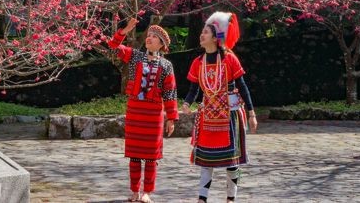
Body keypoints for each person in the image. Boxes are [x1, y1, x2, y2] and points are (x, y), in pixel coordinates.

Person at [182, 11, 257, 203]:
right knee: (206, 161)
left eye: (206, 32)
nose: (201, 35)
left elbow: (242, 86)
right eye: (202, 32)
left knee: (232, 162)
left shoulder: (229, 59)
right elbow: (193, 89)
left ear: (215, 38)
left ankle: (231, 198)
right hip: (208, 116)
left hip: (230, 115)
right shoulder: (198, 63)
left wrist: (251, 113)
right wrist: (186, 103)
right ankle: (202, 198)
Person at [107, 15, 179, 203]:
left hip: (154, 115)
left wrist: (171, 118)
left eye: (154, 37)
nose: (149, 38)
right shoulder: (135, 56)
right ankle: (134, 190)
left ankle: (147, 191)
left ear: (162, 44)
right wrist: (123, 31)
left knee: (151, 157)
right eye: (148, 35)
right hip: (135, 112)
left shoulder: (166, 65)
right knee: (134, 155)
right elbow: (113, 47)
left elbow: (170, 93)